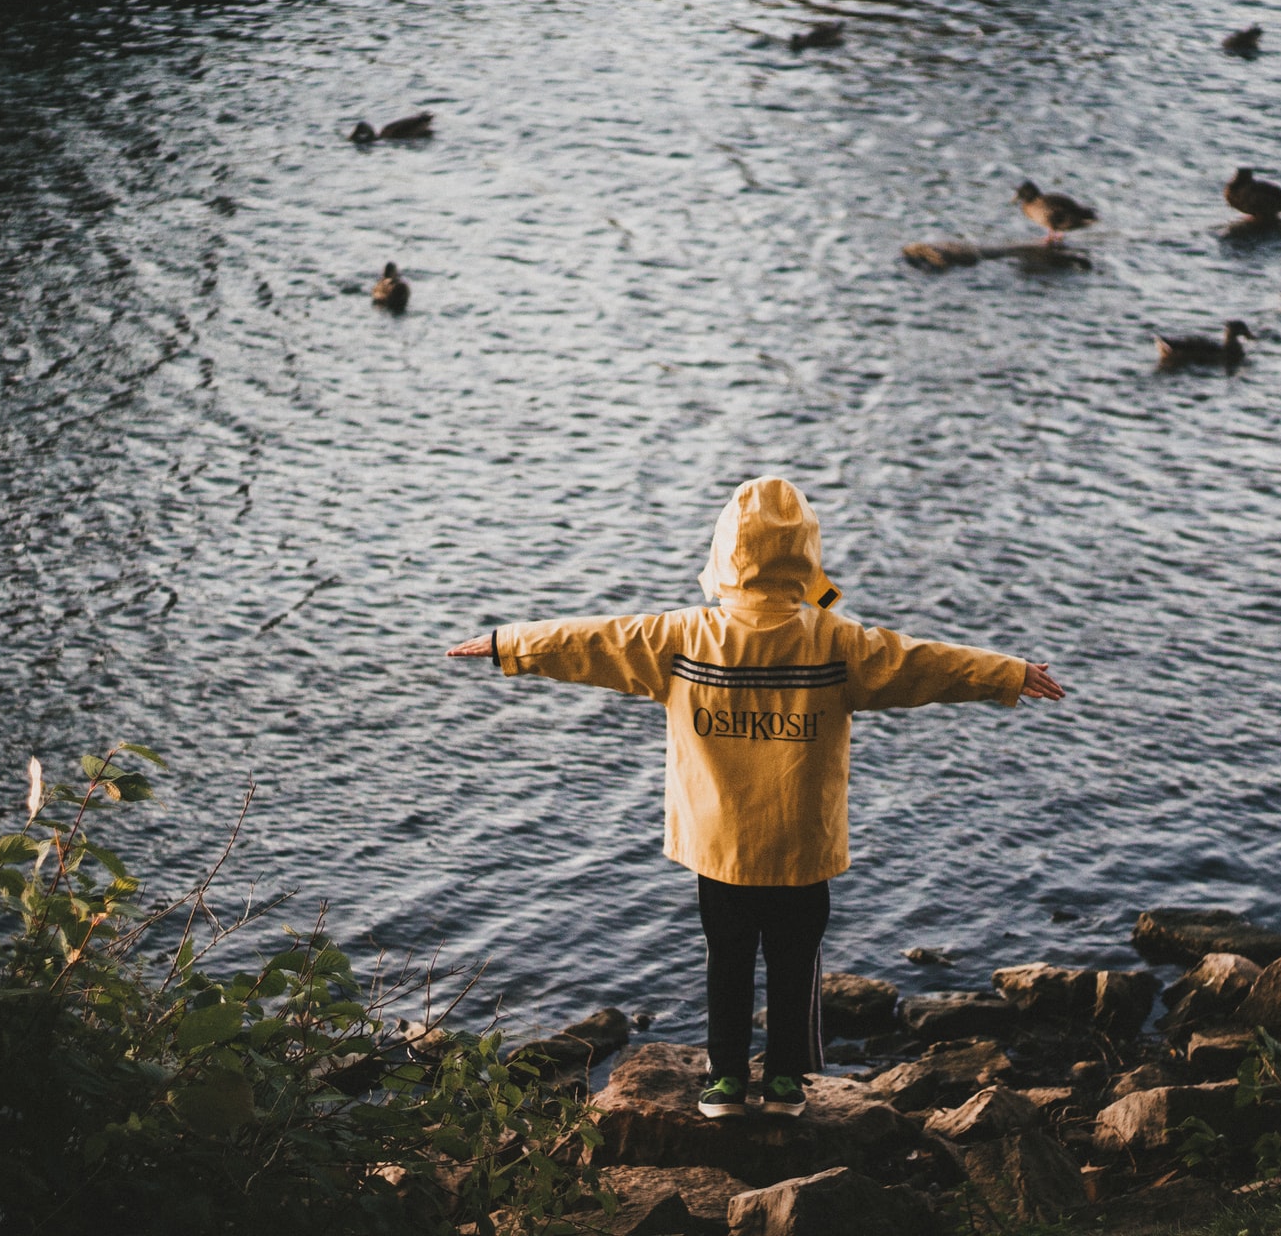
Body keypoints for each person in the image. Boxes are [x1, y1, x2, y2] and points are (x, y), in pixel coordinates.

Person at [448, 477, 1064, 1119]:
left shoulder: (683, 637)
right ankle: (785, 1083)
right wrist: (1006, 672)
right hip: (802, 845)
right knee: (796, 968)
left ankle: (725, 1084)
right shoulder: (836, 641)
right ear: (804, 555)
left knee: (728, 964)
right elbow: (923, 663)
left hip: (723, 849)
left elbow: (592, 640)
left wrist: (506, 642)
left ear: (724, 554)